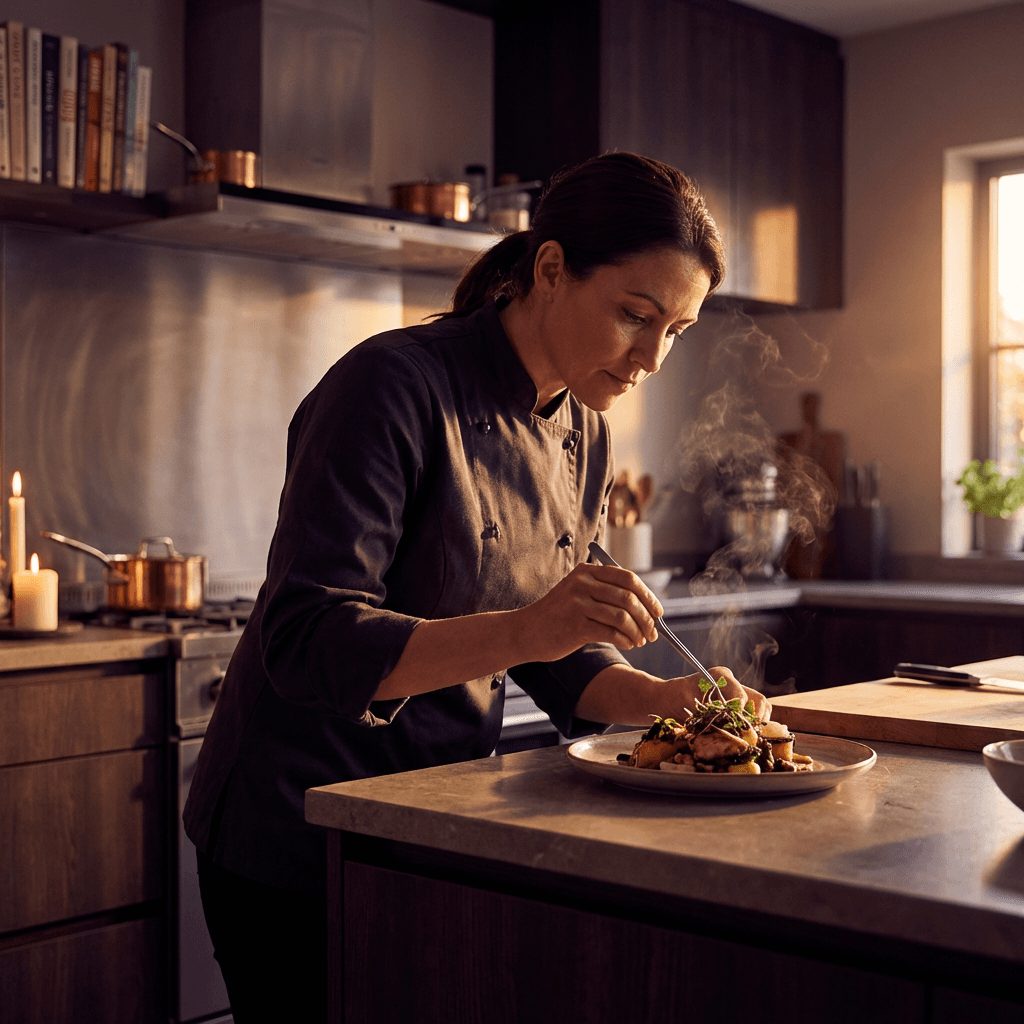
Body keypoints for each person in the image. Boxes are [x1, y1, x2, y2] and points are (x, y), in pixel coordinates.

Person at [184, 151, 767, 1022]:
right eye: (635, 316)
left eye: (676, 330)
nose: (652, 357)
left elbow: (559, 647)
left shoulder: (586, 430)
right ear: (551, 269)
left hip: (435, 817)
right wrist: (531, 629)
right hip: (298, 826)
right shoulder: (391, 384)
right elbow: (308, 639)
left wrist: (659, 701)